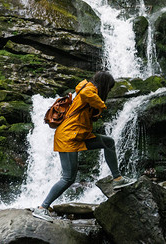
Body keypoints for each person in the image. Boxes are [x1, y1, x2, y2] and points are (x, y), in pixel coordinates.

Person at [33, 71, 135, 222]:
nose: (109, 91)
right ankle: (42, 208)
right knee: (68, 178)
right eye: (109, 88)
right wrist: (101, 105)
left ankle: (118, 178)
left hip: (79, 135)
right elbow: (88, 95)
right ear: (104, 84)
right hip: (68, 136)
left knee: (108, 142)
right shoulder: (88, 89)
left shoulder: (86, 88)